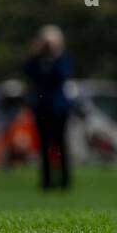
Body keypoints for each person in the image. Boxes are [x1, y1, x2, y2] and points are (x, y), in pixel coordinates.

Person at [23, 25, 74, 190]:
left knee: (61, 145)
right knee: (43, 146)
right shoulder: (37, 60)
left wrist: (56, 55)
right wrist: (35, 53)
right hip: (41, 108)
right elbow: (27, 71)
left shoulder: (63, 58)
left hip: (59, 109)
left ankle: (65, 182)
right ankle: (46, 182)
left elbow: (63, 75)